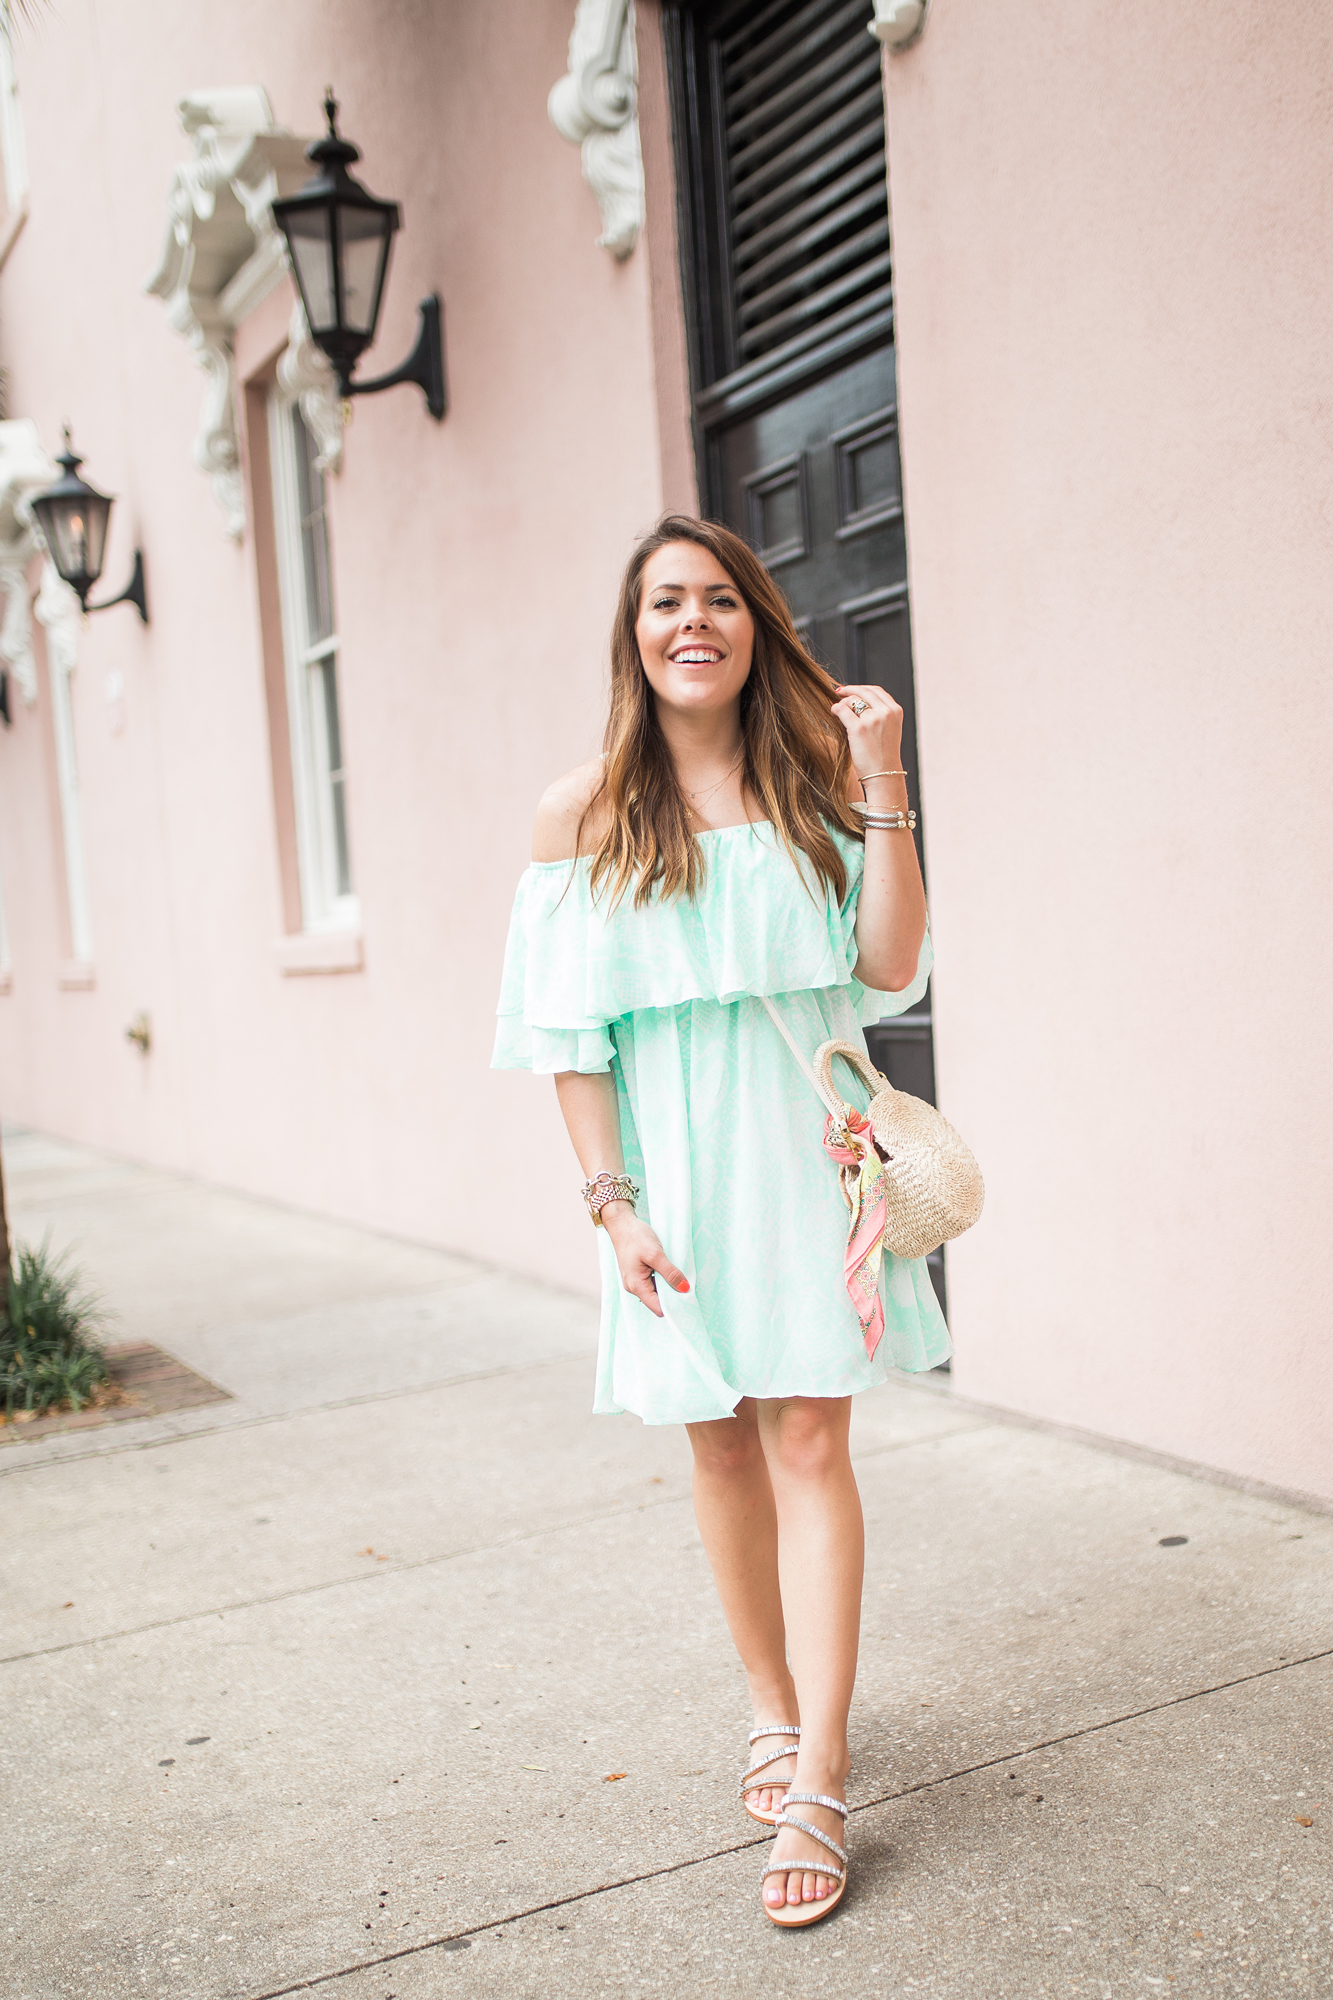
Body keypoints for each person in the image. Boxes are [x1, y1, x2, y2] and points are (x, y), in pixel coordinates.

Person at [493, 514, 950, 1928]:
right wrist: (610, 1207)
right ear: (631, 638)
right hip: (668, 1174)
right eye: (662, 604)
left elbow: (885, 966)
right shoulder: (581, 815)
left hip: (802, 1153)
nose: (692, 622)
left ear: (755, 624)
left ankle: (817, 1768)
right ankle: (769, 1701)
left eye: (718, 601)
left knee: (811, 1436)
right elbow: (572, 1037)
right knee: (720, 1443)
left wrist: (881, 782)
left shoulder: (817, 780)